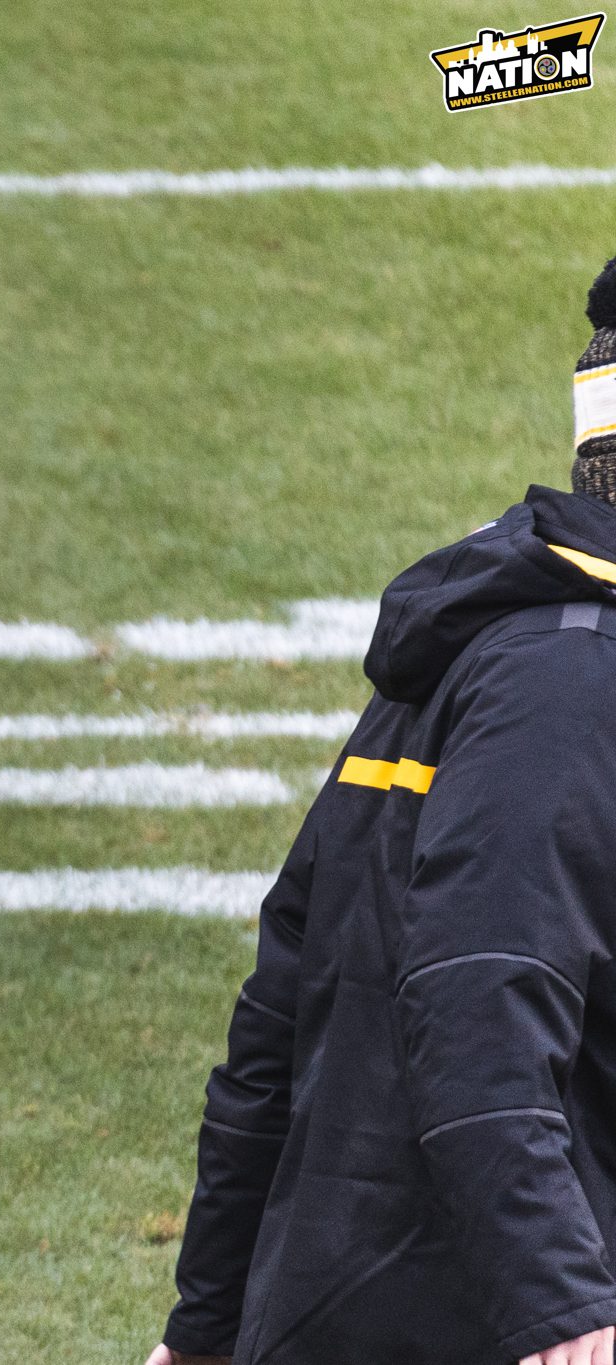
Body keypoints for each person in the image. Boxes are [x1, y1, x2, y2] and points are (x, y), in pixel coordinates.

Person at [146, 258, 616, 1365]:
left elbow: (277, 1013)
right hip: (456, 1318)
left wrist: (206, 1317)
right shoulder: (568, 688)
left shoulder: (507, 651)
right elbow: (478, 1002)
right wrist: (564, 1309)